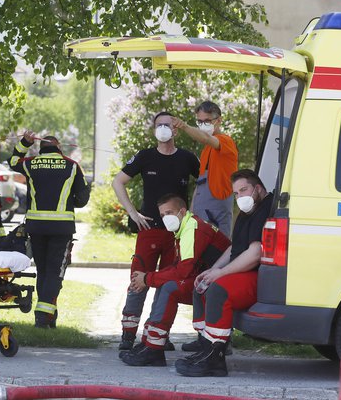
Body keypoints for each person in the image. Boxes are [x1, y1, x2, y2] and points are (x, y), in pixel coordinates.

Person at [113, 111, 200, 350]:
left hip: (177, 234)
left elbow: (206, 184)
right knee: (138, 280)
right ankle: (128, 334)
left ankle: (157, 334)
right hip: (148, 229)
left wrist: (190, 215)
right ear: (154, 130)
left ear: (176, 128)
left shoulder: (187, 158)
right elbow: (117, 181)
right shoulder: (145, 157)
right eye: (159, 125)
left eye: (168, 124)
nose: (163, 128)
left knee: (167, 283)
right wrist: (133, 213)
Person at [175, 169, 273, 377]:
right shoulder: (248, 212)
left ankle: (215, 360)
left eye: (244, 190)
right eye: (236, 193)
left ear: (257, 188)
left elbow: (255, 253)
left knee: (218, 290)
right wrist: (213, 270)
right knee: (202, 285)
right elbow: (233, 249)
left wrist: (220, 275)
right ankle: (205, 348)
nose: (240, 197)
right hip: (242, 271)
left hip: (258, 276)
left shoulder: (265, 209)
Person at [120, 194, 231, 367]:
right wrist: (151, 278)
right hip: (210, 280)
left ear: (183, 211)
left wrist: (147, 278)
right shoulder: (184, 227)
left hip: (221, 284)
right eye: (163, 215)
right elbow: (181, 269)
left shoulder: (192, 228)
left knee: (170, 287)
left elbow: (183, 271)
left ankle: (154, 348)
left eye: (169, 212)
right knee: (166, 283)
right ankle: (150, 343)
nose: (166, 218)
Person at [10, 131, 90, 328]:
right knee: (55, 272)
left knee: (44, 270)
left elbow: (12, 161)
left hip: (36, 227)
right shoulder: (72, 165)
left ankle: (49, 317)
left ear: (39, 147)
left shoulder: (31, 163)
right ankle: (42, 316)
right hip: (61, 228)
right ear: (59, 147)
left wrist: (23, 143)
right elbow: (83, 199)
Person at [172, 101, 238, 238]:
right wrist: (190, 212)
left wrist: (183, 126)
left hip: (217, 210)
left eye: (207, 121)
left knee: (219, 250)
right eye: (199, 121)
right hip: (201, 210)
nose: (203, 125)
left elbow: (205, 138)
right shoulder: (206, 150)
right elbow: (201, 182)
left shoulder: (226, 141)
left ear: (218, 120)